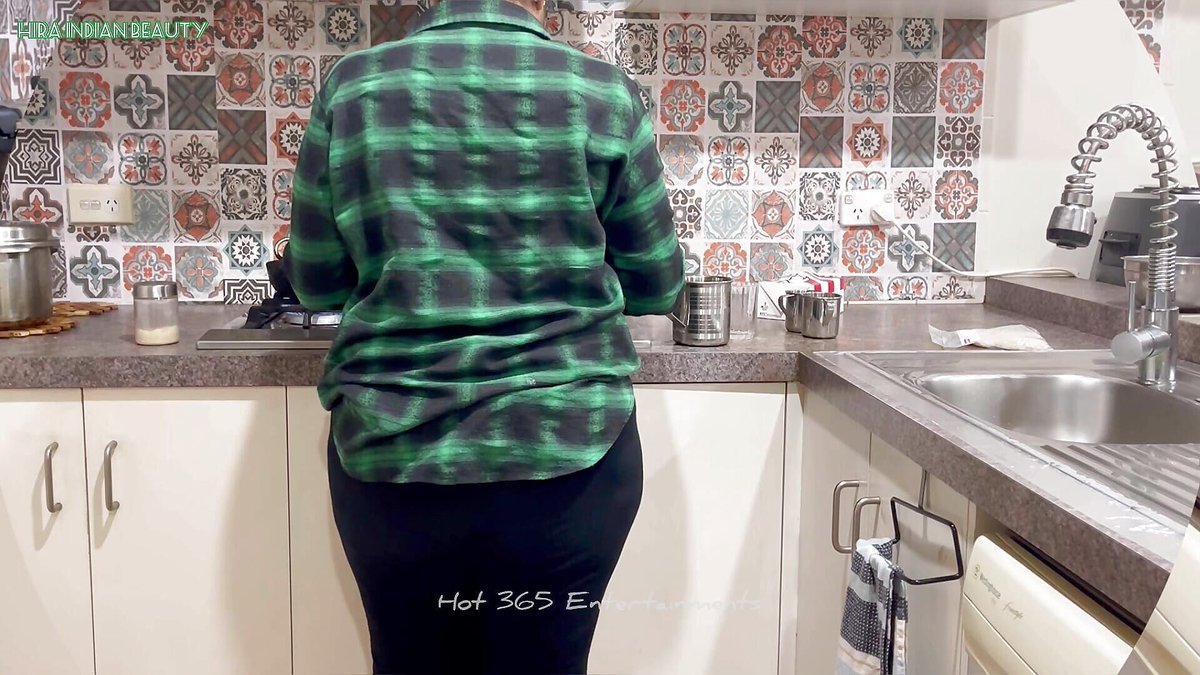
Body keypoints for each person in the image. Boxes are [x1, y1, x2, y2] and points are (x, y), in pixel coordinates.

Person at [285, 0, 685, 672]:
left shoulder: (352, 89)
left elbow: (316, 281)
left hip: (394, 457)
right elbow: (657, 284)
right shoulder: (604, 95)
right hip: (570, 458)